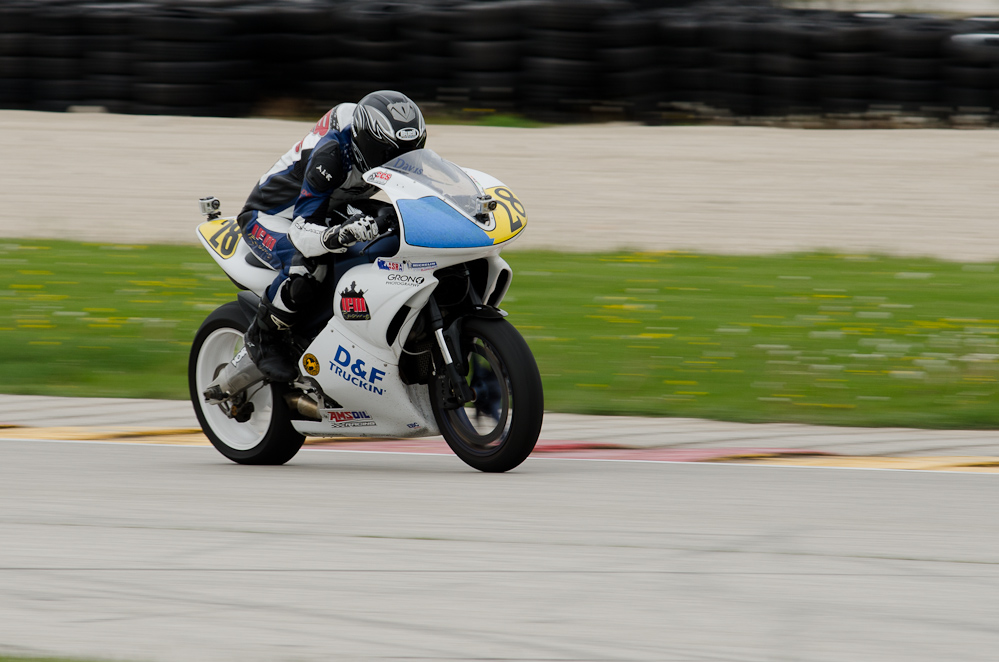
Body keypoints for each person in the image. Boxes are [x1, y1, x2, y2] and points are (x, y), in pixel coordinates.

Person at [236, 90, 428, 382]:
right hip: (273, 216)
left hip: (328, 207)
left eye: (408, 152)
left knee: (395, 234)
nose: (399, 161)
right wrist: (340, 235)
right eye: (389, 153)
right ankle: (263, 337)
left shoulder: (399, 151)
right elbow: (302, 231)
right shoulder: (333, 155)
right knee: (308, 266)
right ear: (366, 141)